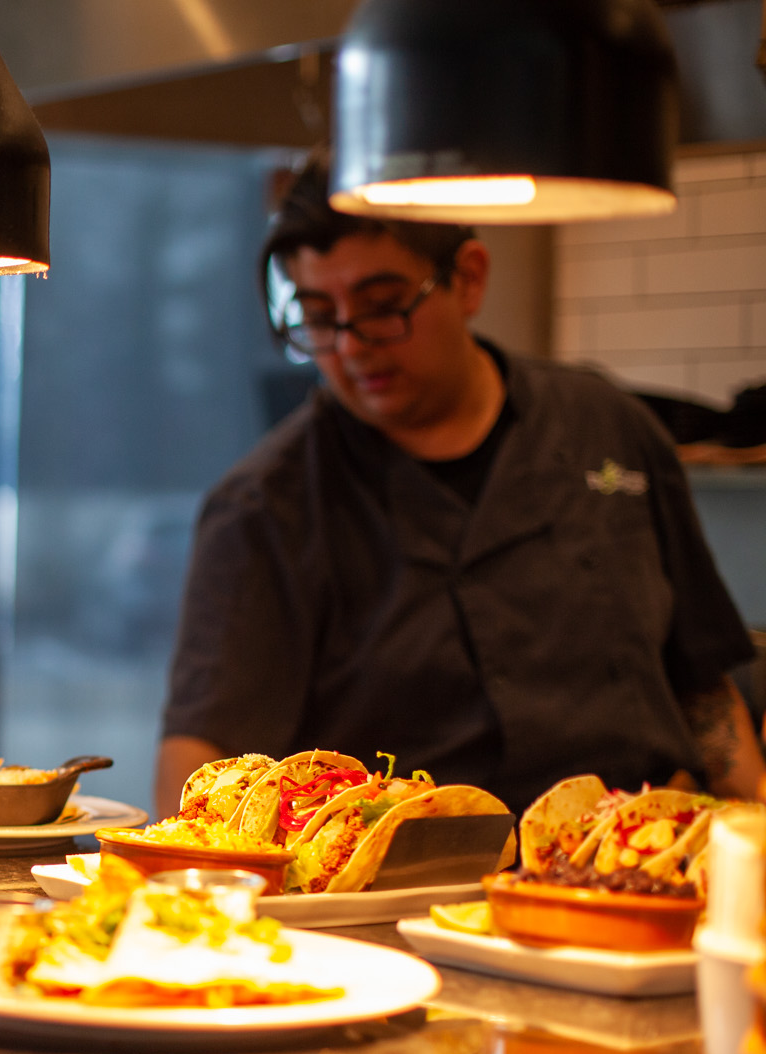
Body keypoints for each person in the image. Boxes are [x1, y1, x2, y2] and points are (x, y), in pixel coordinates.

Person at [154, 156, 764, 818]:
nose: (351, 345)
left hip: (643, 857)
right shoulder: (265, 506)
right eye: (320, 315)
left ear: (468, 279)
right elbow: (200, 754)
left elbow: (702, 680)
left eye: (384, 306)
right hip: (401, 893)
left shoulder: (609, 426)